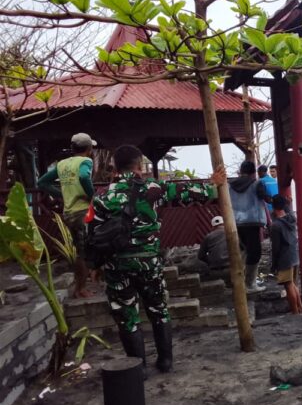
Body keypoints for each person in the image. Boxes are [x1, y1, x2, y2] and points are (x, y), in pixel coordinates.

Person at [90, 144, 226, 372]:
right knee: (158, 310)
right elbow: (193, 192)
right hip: (149, 263)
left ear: (115, 167)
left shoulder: (102, 197)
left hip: (116, 265)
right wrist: (213, 183)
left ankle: (137, 368)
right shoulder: (153, 188)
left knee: (127, 317)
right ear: (139, 166)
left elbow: (93, 234)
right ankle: (165, 361)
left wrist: (95, 265)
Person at [37, 132, 97, 298]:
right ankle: (81, 289)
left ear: (72, 147)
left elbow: (41, 182)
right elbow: (84, 176)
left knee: (80, 250)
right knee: (84, 252)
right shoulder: (86, 161)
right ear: (89, 148)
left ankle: (80, 286)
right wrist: (92, 195)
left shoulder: (62, 164)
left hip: (69, 213)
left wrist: (61, 194)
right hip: (82, 212)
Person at [229, 160, 268, 290]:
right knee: (255, 252)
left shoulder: (230, 185)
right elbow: (266, 198)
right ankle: (250, 283)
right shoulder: (257, 184)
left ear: (241, 171)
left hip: (236, 222)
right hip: (252, 221)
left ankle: (241, 281)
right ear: (253, 172)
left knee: (244, 250)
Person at [270, 194, 302, 315]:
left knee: (288, 285)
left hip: (284, 257)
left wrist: (274, 264)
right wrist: (288, 202)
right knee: (293, 284)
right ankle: (300, 307)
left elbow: (275, 247)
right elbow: (287, 209)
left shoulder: (275, 226)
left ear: (273, 206)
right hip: (294, 254)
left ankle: (295, 311)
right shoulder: (292, 218)